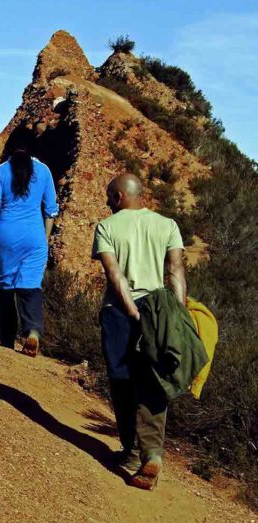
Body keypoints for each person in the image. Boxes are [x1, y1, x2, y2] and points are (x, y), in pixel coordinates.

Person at [93, 173, 186, 490]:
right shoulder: (167, 225)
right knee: (152, 380)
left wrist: (132, 312)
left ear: (118, 197)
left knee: (122, 380)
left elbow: (114, 274)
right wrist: (178, 315)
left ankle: (132, 452)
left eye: (109, 197)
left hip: (120, 310)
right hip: (159, 310)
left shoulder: (107, 227)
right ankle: (152, 453)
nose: (107, 203)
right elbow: (175, 271)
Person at [0, 126, 59, 356]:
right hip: (34, 235)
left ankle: (7, 340)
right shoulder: (44, 171)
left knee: (5, 290)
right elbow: (51, 210)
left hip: (4, 236)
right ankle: (32, 332)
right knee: (30, 287)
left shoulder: (0, 172)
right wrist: (44, 239)